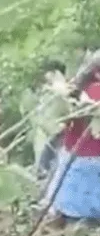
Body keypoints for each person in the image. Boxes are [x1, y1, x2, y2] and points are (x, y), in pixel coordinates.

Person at [47, 54, 100, 224]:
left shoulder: (75, 92)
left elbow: (62, 122)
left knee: (73, 207)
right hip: (88, 157)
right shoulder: (92, 92)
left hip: (75, 155)